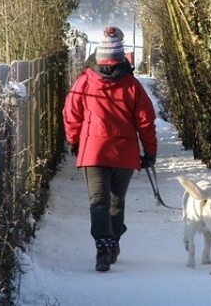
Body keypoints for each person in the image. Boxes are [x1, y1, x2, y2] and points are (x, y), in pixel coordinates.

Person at [62, 27, 157, 272]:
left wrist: (75, 141)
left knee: (98, 202)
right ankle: (113, 242)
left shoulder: (84, 81)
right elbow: (146, 121)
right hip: (124, 154)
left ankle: (102, 247)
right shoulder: (132, 85)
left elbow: (71, 115)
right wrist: (150, 152)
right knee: (116, 201)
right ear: (121, 56)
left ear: (98, 56)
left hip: (92, 151)